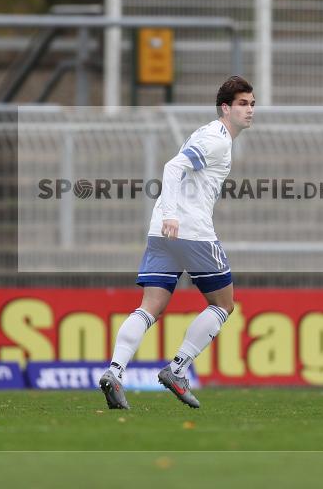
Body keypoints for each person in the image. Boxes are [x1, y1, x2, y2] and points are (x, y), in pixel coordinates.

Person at [99, 76, 255, 409]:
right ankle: (177, 368)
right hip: (190, 231)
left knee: (149, 306)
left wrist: (167, 218)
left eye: (252, 104)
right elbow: (172, 167)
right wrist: (173, 214)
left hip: (161, 231)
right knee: (223, 304)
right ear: (225, 108)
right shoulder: (217, 138)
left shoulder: (208, 134)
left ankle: (114, 371)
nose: (250, 109)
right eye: (243, 104)